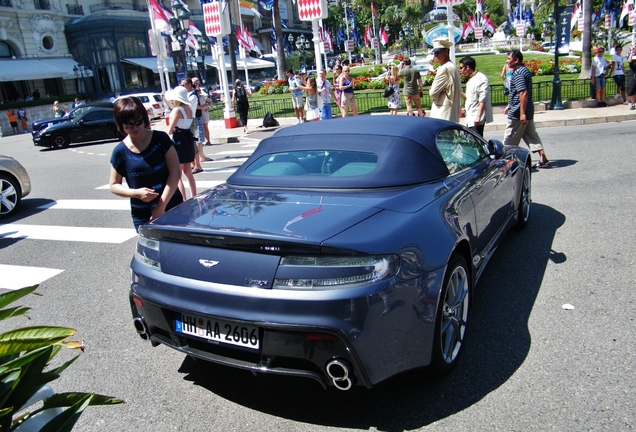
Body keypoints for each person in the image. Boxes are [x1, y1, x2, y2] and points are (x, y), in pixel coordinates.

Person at [109, 97, 182, 232]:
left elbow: (175, 172)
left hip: (172, 207)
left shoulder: (160, 139)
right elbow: (114, 185)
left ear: (144, 118)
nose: (135, 128)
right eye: (128, 125)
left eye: (138, 122)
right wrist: (136, 193)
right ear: (120, 125)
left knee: (177, 250)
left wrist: (161, 207)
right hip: (143, 215)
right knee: (152, 251)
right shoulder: (120, 151)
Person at [503, 49, 550, 168]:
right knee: (531, 135)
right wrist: (510, 105)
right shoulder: (524, 70)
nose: (507, 61)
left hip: (519, 112)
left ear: (516, 60)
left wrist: (522, 113)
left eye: (509, 59)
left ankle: (507, 164)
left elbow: (523, 93)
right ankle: (543, 157)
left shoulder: (518, 73)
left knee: (509, 140)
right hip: (526, 110)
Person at [165, 86, 197, 199]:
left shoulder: (177, 110)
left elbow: (170, 128)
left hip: (178, 139)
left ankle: (183, 199)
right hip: (187, 138)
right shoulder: (189, 108)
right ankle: (194, 196)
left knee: (177, 174)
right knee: (188, 171)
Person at [429, 38, 461, 122]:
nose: (435, 55)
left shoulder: (444, 69)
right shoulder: (452, 67)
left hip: (442, 115)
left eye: (438, 52)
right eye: (434, 52)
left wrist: (437, 92)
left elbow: (433, 93)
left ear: (446, 52)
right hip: (451, 115)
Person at [459, 56, 493, 137]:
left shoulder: (481, 78)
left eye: (461, 68)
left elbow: (483, 99)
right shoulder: (471, 80)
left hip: (476, 118)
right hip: (470, 117)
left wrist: (478, 116)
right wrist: (458, 91)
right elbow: (468, 98)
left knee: (476, 143)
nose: (460, 70)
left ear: (467, 67)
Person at [628, 45, 636, 110]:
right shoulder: (632, 56)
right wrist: (631, 52)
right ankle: (633, 104)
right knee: (631, 90)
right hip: (632, 75)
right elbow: (629, 61)